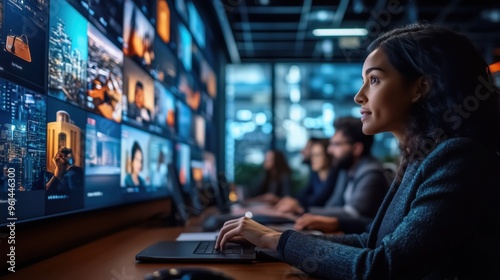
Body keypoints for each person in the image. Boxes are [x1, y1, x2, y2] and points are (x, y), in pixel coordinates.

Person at [215, 23, 500, 279]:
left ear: (420, 88)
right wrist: (271, 240)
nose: (358, 95)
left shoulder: (459, 158)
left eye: (374, 80)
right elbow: (370, 242)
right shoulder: (419, 157)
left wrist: (278, 242)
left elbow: (382, 267)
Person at [278, 117, 389, 233]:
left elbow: (352, 213)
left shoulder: (371, 173)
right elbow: (334, 204)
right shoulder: (347, 170)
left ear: (356, 148)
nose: (330, 150)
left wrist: (303, 210)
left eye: (336, 144)